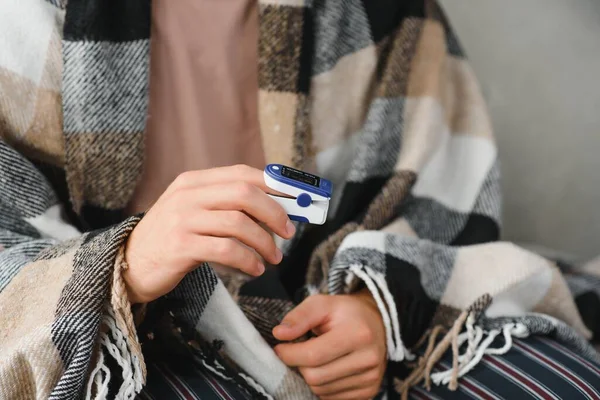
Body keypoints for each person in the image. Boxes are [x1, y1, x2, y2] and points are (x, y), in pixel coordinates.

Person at [1, 0, 599, 399]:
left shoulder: (373, 9)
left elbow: (442, 193)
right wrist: (123, 265)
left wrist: (377, 308)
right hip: (128, 340)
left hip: (326, 308)